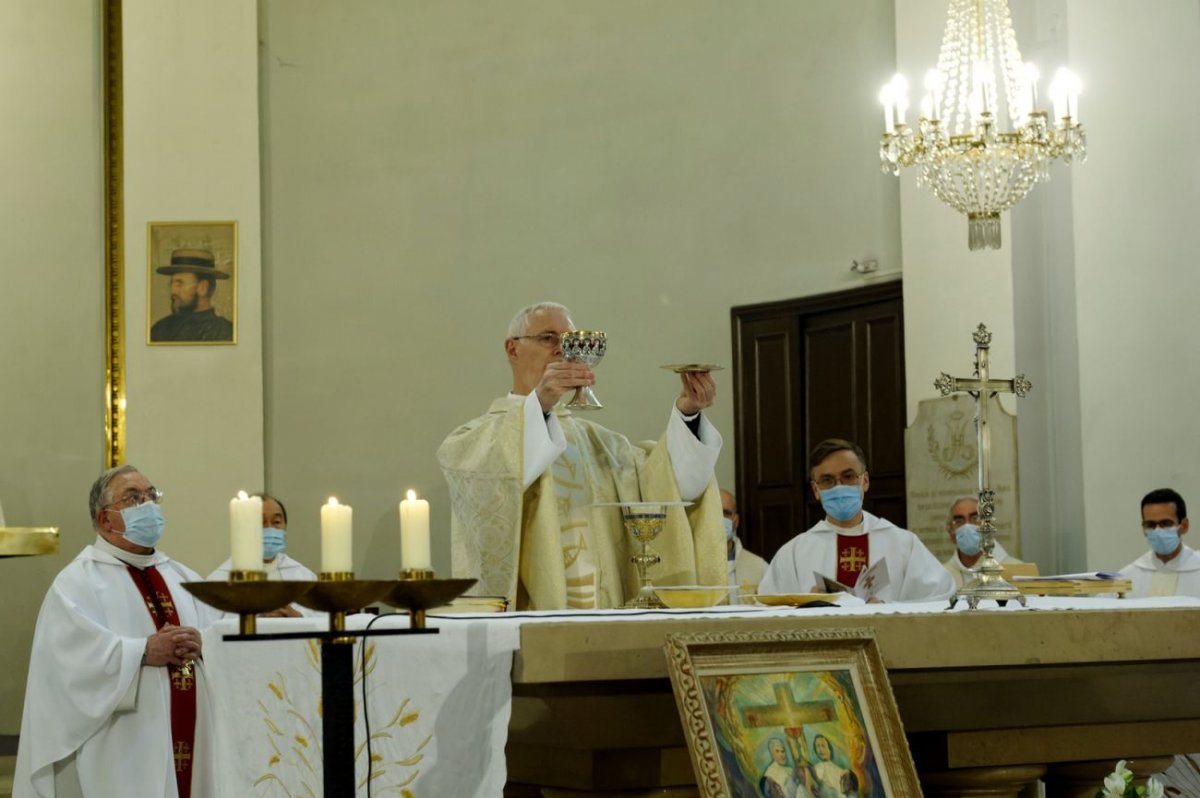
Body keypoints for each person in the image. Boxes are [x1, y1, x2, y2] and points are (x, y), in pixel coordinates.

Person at [437, 301, 725, 610]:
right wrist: (541, 404)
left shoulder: (601, 443)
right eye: (549, 338)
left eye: (572, 341)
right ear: (512, 349)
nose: (564, 350)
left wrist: (688, 416)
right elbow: (488, 496)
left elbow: (667, 487)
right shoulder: (475, 440)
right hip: (534, 617)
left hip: (607, 613)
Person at [14, 465, 221, 797]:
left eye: (151, 495)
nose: (148, 505)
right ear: (105, 520)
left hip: (193, 738)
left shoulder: (183, 577)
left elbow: (219, 639)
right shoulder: (77, 583)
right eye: (133, 498)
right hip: (122, 747)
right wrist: (141, 651)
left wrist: (205, 643)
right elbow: (66, 667)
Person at [758, 439, 954, 602]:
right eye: (827, 480)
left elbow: (940, 598)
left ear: (865, 481)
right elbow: (770, 610)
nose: (839, 486)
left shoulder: (903, 544)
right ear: (816, 490)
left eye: (848, 476)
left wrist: (889, 611)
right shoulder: (793, 553)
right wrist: (805, 606)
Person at [207, 492, 318, 617]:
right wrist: (258, 617)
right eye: (260, 522)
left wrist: (299, 618)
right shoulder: (220, 580)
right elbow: (210, 629)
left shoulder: (303, 576)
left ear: (285, 527)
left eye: (276, 522)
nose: (270, 528)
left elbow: (323, 622)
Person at [1118, 487, 1200, 598]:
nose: (1157, 531)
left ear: (1184, 526)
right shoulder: (1128, 577)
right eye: (1150, 525)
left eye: (1166, 523)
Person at [149, 248, 234, 342]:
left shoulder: (226, 332)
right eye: (171, 284)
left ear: (202, 287)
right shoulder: (160, 329)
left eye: (179, 283)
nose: (173, 291)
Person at [941, 495, 1024, 589]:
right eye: (959, 520)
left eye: (975, 518)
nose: (967, 526)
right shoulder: (941, 577)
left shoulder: (1018, 571)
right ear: (950, 532)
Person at [721, 488, 767, 592]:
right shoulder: (692, 566)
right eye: (714, 513)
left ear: (736, 521)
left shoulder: (759, 567)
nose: (720, 519)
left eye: (726, 513)